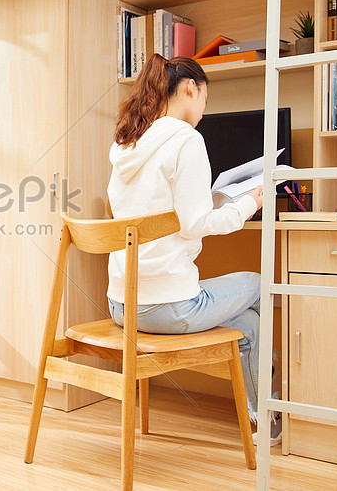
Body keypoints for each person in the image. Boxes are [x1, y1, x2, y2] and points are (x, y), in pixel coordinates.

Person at [106, 54, 280, 445]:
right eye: (205, 98)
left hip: (123, 305)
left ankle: (263, 421)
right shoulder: (186, 139)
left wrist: (213, 201)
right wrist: (252, 202)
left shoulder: (127, 144)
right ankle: (271, 405)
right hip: (167, 308)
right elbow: (197, 224)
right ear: (190, 88)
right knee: (259, 284)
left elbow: (158, 212)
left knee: (250, 325)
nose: (203, 109)